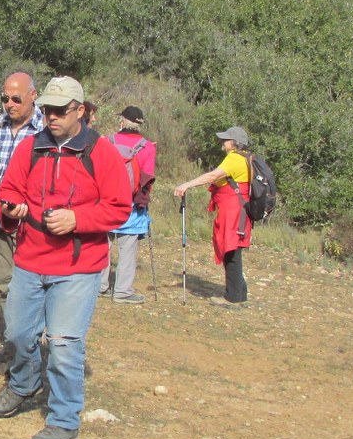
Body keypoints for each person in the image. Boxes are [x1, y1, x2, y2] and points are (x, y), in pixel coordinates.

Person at [0, 76, 132, 439]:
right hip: (30, 259)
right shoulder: (31, 147)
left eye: (58, 110)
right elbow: (9, 190)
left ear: (81, 111)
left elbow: (119, 207)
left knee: (66, 343)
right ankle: (24, 382)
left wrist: (77, 220)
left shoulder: (102, 153)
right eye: (46, 110)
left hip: (79, 266)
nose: (50, 116)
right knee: (18, 334)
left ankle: (64, 418)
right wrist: (10, 207)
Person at [0, 72, 42, 366]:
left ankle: (34, 343)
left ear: (33, 95)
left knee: (33, 285)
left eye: (16, 98)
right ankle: (13, 340)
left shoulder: (45, 130)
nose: (9, 104)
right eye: (5, 98)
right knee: (6, 284)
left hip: (32, 225)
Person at [173, 126, 252, 305]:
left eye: (225, 140)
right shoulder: (246, 158)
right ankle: (240, 293)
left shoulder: (234, 159)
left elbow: (213, 176)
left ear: (234, 143)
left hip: (233, 211)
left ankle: (233, 297)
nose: (222, 143)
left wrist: (187, 184)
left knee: (231, 249)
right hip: (240, 211)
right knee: (234, 249)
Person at [101, 106, 157, 304]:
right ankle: (123, 292)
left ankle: (100, 286)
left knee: (102, 245)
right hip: (131, 206)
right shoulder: (148, 146)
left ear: (123, 121)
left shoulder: (107, 141)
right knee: (128, 249)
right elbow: (147, 178)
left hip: (106, 202)